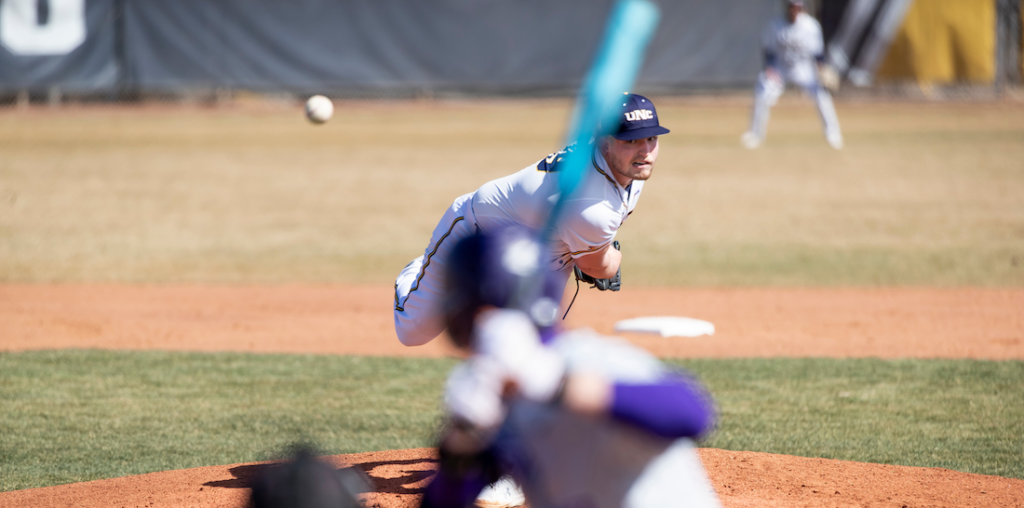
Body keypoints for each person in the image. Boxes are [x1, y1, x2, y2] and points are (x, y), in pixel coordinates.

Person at [420, 228, 721, 508]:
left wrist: (558, 385)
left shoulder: (588, 359)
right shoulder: (492, 388)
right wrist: (463, 443)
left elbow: (693, 412)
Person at [394, 93, 670, 348]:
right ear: (605, 145)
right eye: (630, 140)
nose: (644, 151)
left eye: (651, 139)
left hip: (549, 250)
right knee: (413, 332)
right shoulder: (591, 206)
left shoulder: (629, 166)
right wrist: (606, 255)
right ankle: (418, 268)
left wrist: (590, 248)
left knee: (536, 345)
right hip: (479, 230)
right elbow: (598, 268)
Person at [741, 0, 843, 150]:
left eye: (797, 7)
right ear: (787, 7)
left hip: (804, 69)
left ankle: (833, 134)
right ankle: (756, 135)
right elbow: (768, 50)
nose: (794, 10)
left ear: (802, 8)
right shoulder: (775, 25)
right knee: (762, 91)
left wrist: (821, 68)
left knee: (822, 96)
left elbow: (818, 54)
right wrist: (769, 68)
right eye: (792, 6)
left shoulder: (811, 26)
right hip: (781, 69)